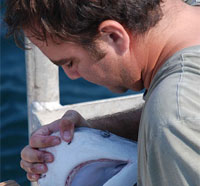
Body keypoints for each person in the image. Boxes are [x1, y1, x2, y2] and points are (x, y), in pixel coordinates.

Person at [4, 0, 200, 185]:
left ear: (114, 36)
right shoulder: (188, 14)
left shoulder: (174, 118)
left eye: (70, 62)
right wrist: (98, 132)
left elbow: (176, 120)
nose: (72, 75)